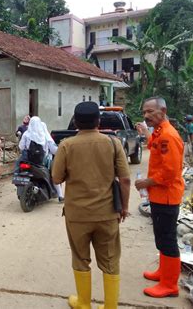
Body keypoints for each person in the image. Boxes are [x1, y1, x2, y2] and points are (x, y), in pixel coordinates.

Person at [52, 101, 130, 309]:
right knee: (111, 260)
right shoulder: (113, 143)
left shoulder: (67, 145)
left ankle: (84, 304)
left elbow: (57, 178)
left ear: (76, 122)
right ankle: (110, 306)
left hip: (77, 215)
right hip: (107, 213)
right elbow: (125, 179)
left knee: (80, 258)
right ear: (99, 121)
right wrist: (124, 207)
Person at [135, 97, 184, 298]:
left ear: (162, 111)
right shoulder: (160, 133)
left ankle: (170, 285)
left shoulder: (169, 136)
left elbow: (170, 172)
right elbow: (155, 147)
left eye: (150, 112)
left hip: (166, 196)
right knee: (161, 238)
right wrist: (146, 133)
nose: (147, 116)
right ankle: (163, 273)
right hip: (159, 195)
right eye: (145, 112)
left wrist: (147, 182)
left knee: (167, 240)